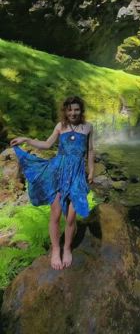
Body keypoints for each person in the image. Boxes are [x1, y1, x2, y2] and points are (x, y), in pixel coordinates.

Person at [10, 95, 94, 270]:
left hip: (77, 175)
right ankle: (56, 250)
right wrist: (26, 139)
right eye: (70, 109)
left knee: (71, 217)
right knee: (55, 214)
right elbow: (47, 145)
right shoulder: (60, 126)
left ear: (81, 110)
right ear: (65, 111)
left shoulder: (88, 127)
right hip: (58, 172)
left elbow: (91, 151)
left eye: (76, 109)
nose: (73, 112)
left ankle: (67, 248)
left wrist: (91, 171)